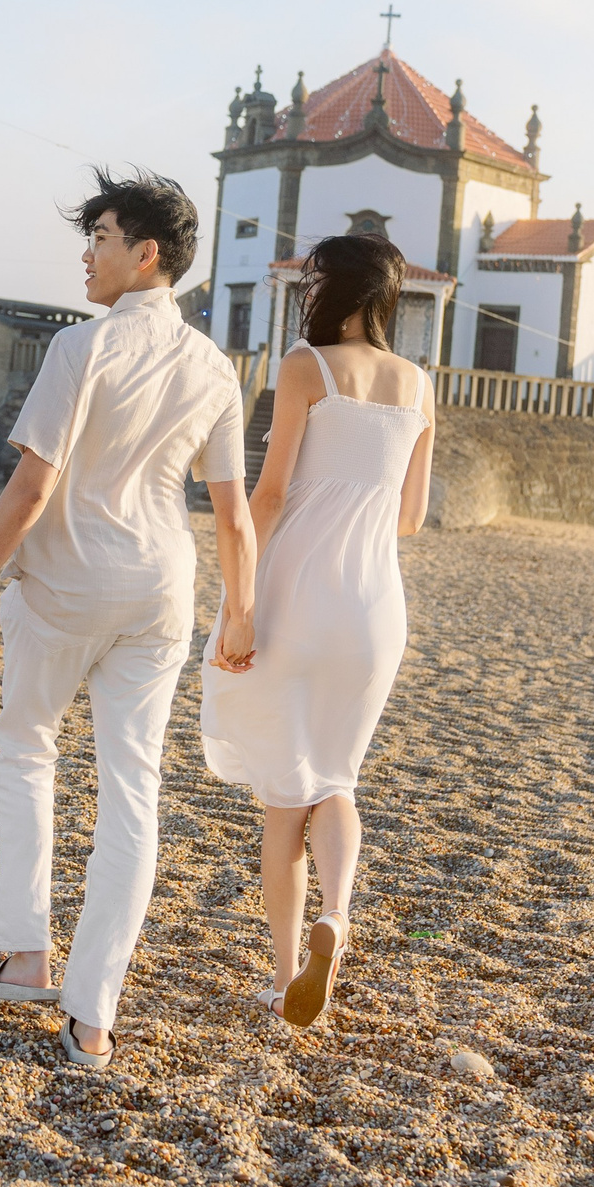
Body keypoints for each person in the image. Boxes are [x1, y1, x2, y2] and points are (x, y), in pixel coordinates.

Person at [0, 169, 255, 1070]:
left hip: (63, 589)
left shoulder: (81, 349)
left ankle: (25, 953)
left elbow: (33, 484)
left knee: (27, 746)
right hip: (163, 591)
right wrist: (241, 611)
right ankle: (93, 1015)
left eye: (103, 237)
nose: (88, 255)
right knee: (133, 789)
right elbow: (232, 512)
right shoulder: (214, 365)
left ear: (146, 252)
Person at [200, 232, 435, 1028]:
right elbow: (410, 517)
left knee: (282, 800)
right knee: (337, 778)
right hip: (375, 609)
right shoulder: (418, 385)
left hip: (297, 593)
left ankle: (286, 971)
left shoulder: (306, 366)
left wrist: (238, 603)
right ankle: (337, 912)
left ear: (326, 289)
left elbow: (265, 497)